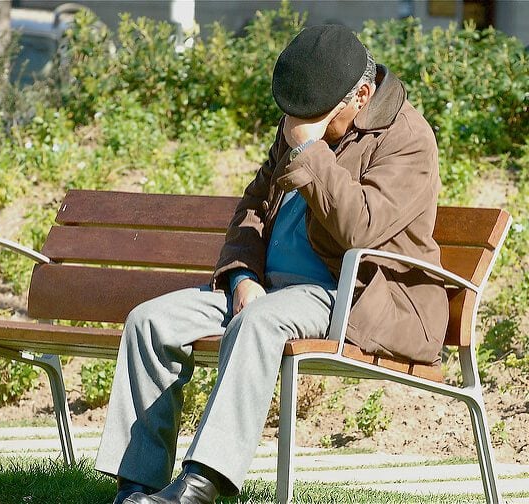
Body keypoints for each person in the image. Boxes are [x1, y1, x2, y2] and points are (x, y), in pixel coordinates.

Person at [96, 24, 449, 504]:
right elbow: (254, 207)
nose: (297, 125)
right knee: (149, 323)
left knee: (259, 324)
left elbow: (361, 230)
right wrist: (241, 276)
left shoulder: (408, 139)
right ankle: (137, 488)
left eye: (315, 117)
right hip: (269, 290)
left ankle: (202, 484)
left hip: (352, 295)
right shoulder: (306, 122)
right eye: (295, 118)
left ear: (362, 95)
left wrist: (309, 148)